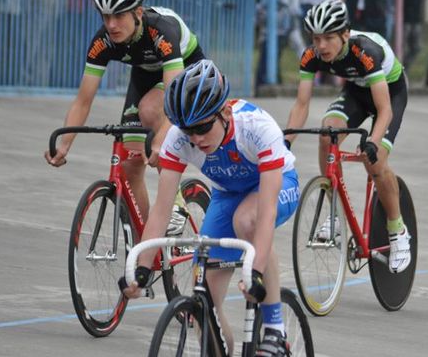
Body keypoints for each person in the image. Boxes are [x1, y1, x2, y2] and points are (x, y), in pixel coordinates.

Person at [120, 60, 300, 356]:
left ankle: (275, 328)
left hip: (276, 187)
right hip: (228, 195)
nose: (196, 139)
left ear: (225, 112)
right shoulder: (180, 140)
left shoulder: (256, 127)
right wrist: (141, 268)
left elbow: (266, 213)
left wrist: (254, 272)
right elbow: (161, 211)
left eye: (203, 127)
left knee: (248, 220)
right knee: (204, 308)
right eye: (188, 130)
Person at [44, 0, 205, 225]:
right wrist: (64, 144)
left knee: (152, 112)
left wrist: (161, 138)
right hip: (145, 75)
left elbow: (173, 101)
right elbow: (83, 100)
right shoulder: (103, 41)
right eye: (106, 16)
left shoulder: (161, 31)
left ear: (138, 13)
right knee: (130, 166)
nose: (111, 25)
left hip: (187, 69)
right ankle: (148, 249)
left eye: (118, 15)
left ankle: (177, 206)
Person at [284, 0, 411, 274]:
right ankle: (335, 214)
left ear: (345, 34)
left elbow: (384, 109)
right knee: (326, 135)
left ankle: (397, 230)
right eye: (316, 38)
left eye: (329, 38)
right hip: (356, 91)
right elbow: (302, 104)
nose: (321, 46)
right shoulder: (311, 56)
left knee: (373, 161)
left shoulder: (366, 51)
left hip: (389, 92)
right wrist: (286, 142)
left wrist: (373, 143)